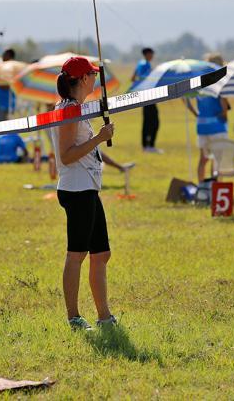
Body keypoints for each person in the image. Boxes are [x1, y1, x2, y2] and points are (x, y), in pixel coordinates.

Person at [49, 56, 117, 330]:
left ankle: (104, 316)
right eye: (91, 75)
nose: (94, 79)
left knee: (101, 254)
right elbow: (66, 156)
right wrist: (99, 138)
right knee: (76, 254)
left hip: (88, 187)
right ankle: (73, 317)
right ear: (83, 79)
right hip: (77, 189)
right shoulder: (67, 111)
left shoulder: (76, 108)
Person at [186, 93, 230, 184]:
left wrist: (195, 113)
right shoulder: (217, 83)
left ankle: (201, 187)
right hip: (217, 126)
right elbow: (223, 99)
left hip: (202, 126)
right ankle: (216, 187)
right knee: (217, 160)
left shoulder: (198, 85)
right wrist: (225, 113)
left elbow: (186, 99)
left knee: (203, 159)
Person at [131, 48, 160, 152]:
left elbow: (133, 78)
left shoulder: (140, 64)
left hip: (143, 95)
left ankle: (146, 146)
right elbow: (147, 79)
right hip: (148, 96)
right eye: (152, 53)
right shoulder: (146, 65)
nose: (152, 55)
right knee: (154, 122)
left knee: (147, 121)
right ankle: (149, 146)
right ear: (147, 54)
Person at [0, 48, 17, 122]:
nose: (2, 56)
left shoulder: (11, 68)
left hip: (5, 104)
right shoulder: (5, 67)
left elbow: (6, 85)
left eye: (4, 54)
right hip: (1, 104)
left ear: (10, 56)